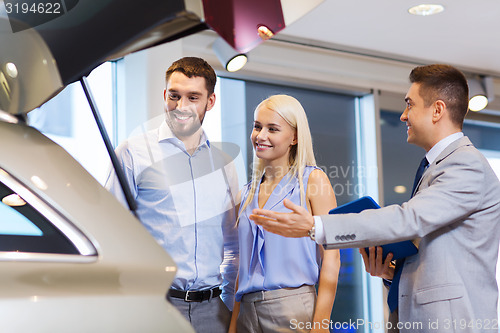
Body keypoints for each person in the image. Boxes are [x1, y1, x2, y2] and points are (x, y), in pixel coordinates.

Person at [249, 65, 500, 332]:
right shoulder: (434, 167)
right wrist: (393, 274)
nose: (403, 116)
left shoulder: (466, 165)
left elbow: (409, 218)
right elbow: (438, 257)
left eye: (409, 105)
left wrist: (317, 226)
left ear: (437, 110)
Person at [105, 57, 239, 332]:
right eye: (174, 96)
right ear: (165, 95)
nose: (181, 107)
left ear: (210, 102)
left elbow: (233, 244)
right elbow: (109, 230)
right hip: (154, 308)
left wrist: (229, 305)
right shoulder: (133, 152)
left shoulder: (223, 163)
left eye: (193, 97)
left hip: (214, 312)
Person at [228, 95, 340, 333]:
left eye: (272, 129)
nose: (260, 136)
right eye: (257, 127)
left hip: (293, 307)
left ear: (295, 137)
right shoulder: (245, 194)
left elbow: (332, 257)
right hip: (247, 310)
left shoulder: (313, 180)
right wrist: (233, 325)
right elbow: (242, 268)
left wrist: (320, 325)